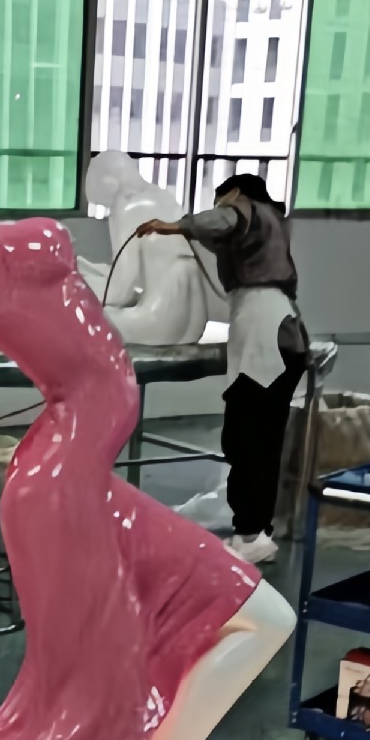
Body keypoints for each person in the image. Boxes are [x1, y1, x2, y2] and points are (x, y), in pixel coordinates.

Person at [137, 173, 308, 564]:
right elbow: (222, 236)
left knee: (248, 441)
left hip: (267, 336)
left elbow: (222, 220)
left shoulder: (246, 209)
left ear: (233, 192)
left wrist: (173, 225)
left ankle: (250, 534)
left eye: (221, 199)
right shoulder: (271, 223)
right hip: (281, 335)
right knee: (261, 442)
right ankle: (256, 533)